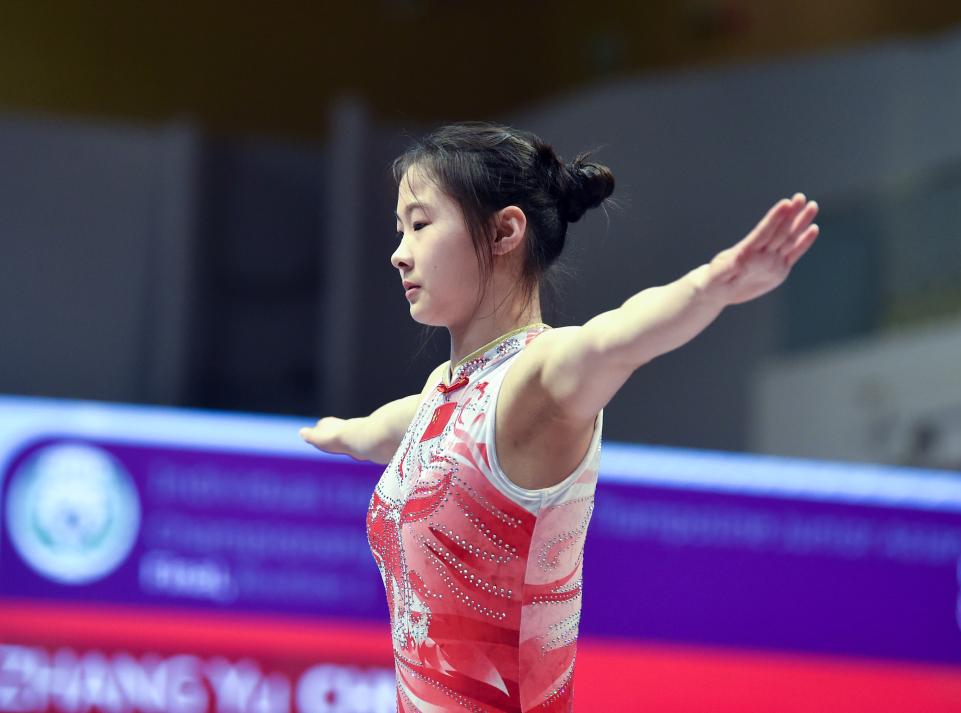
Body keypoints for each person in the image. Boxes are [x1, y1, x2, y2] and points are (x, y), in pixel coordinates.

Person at [299, 121, 819, 712]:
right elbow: (388, 429)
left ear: (504, 230)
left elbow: (613, 340)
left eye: (419, 224)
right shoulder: (446, 391)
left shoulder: (540, 377)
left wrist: (710, 285)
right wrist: (340, 434)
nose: (399, 252)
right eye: (400, 230)